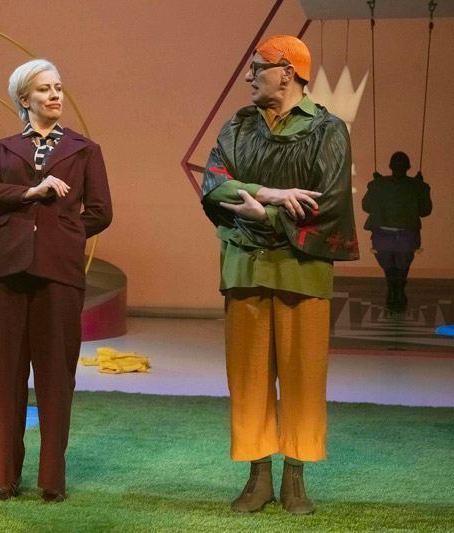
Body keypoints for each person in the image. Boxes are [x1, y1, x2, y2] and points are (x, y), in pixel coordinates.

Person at [200, 36, 359, 515]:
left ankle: (295, 478)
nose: (249, 76)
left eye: (258, 68)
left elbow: (330, 203)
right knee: (247, 377)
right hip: (245, 267)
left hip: (301, 271)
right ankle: (258, 477)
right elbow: (214, 184)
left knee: (303, 377)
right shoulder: (238, 126)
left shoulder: (328, 130)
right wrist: (268, 194)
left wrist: (263, 216)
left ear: (287, 72)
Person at [0, 59, 112, 502]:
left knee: (56, 375)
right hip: (4, 270)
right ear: (24, 98)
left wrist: (63, 236)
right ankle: (4, 476)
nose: (55, 95)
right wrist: (29, 193)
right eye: (44, 89)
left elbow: (101, 211)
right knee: (6, 374)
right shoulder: (2, 148)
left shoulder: (85, 149)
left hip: (58, 272)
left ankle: (52, 479)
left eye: (58, 88)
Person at [362, 152, 432, 310]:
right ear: (408, 167)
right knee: (403, 264)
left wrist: (377, 184)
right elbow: (425, 211)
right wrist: (421, 187)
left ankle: (393, 288)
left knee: (388, 264)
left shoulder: (377, 185)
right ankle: (398, 289)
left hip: (382, 235)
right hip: (407, 236)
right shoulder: (418, 186)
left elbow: (366, 207)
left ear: (390, 166)